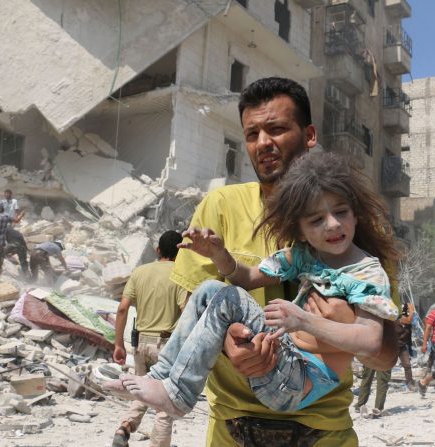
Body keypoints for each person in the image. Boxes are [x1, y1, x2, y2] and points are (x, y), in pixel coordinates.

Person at [165, 77, 399, 447]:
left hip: (325, 434)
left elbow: (385, 355)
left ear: (309, 134)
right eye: (252, 133)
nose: (263, 144)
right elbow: (190, 309)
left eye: (276, 129)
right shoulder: (219, 208)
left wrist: (339, 328)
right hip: (231, 432)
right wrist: (230, 342)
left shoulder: (354, 230)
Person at [110, 151, 399, 423]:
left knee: (229, 298)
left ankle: (179, 396)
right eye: (317, 220)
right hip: (277, 361)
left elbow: (371, 340)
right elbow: (246, 277)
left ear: (356, 215)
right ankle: (160, 378)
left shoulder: (367, 273)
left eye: (341, 212)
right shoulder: (304, 256)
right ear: (300, 230)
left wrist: (303, 320)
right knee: (211, 289)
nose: (333, 225)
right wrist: (218, 254)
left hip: (300, 382)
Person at [111, 230, 188, 447]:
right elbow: (186, 311)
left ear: (158, 250)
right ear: (181, 252)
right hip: (167, 345)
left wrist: (118, 344)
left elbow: (122, 308)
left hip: (141, 343)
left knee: (141, 391)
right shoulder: (181, 274)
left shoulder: (140, 272)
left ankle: (124, 427)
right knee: (165, 404)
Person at [397, 300, 417, 390]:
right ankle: (382, 381)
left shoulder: (408, 325)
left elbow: (408, 337)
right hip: (392, 345)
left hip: (402, 346)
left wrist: (410, 349)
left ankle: (409, 382)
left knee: (407, 365)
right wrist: (412, 311)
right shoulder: (396, 319)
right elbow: (408, 320)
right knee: (387, 364)